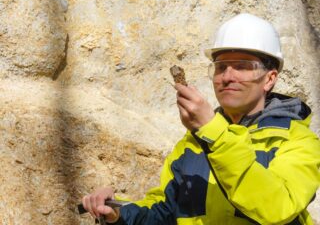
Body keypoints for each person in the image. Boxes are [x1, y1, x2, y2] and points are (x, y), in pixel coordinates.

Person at [82, 13, 320, 225]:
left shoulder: (298, 141)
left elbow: (277, 208)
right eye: (221, 66)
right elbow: (165, 211)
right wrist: (118, 214)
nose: (228, 76)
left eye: (243, 66)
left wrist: (213, 132)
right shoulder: (192, 145)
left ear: (269, 79)